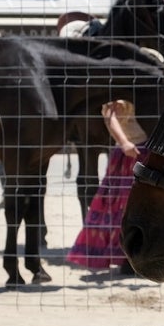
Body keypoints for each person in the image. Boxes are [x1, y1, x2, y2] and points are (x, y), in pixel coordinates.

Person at [67, 99, 147, 274]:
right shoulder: (118, 92)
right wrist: (124, 142)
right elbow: (110, 116)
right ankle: (126, 256)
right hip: (130, 152)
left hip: (146, 151)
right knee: (122, 207)